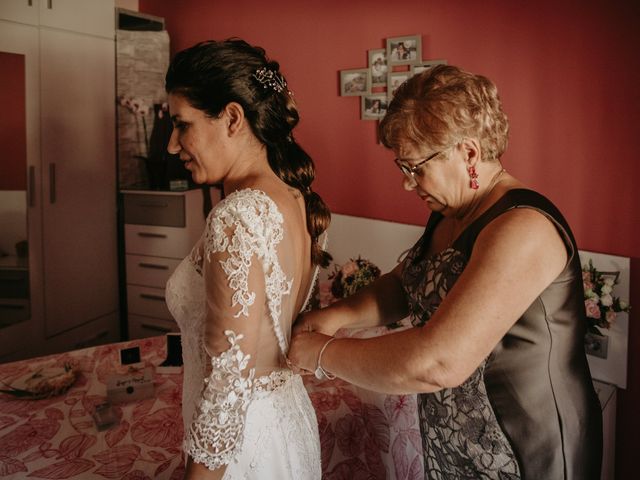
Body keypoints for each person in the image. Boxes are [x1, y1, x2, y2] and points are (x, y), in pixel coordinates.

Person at [289, 64, 602, 479]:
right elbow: (406, 284)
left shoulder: (523, 228)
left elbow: (439, 361)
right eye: (403, 167)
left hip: (528, 447)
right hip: (455, 438)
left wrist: (323, 354)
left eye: (415, 167)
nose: (407, 183)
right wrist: (335, 316)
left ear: (469, 152)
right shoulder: (451, 212)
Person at [164, 39, 330, 479]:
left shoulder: (237, 217)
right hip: (287, 423)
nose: (171, 145)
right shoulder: (297, 198)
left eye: (182, 125)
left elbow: (227, 384)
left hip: (244, 451)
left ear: (233, 117)